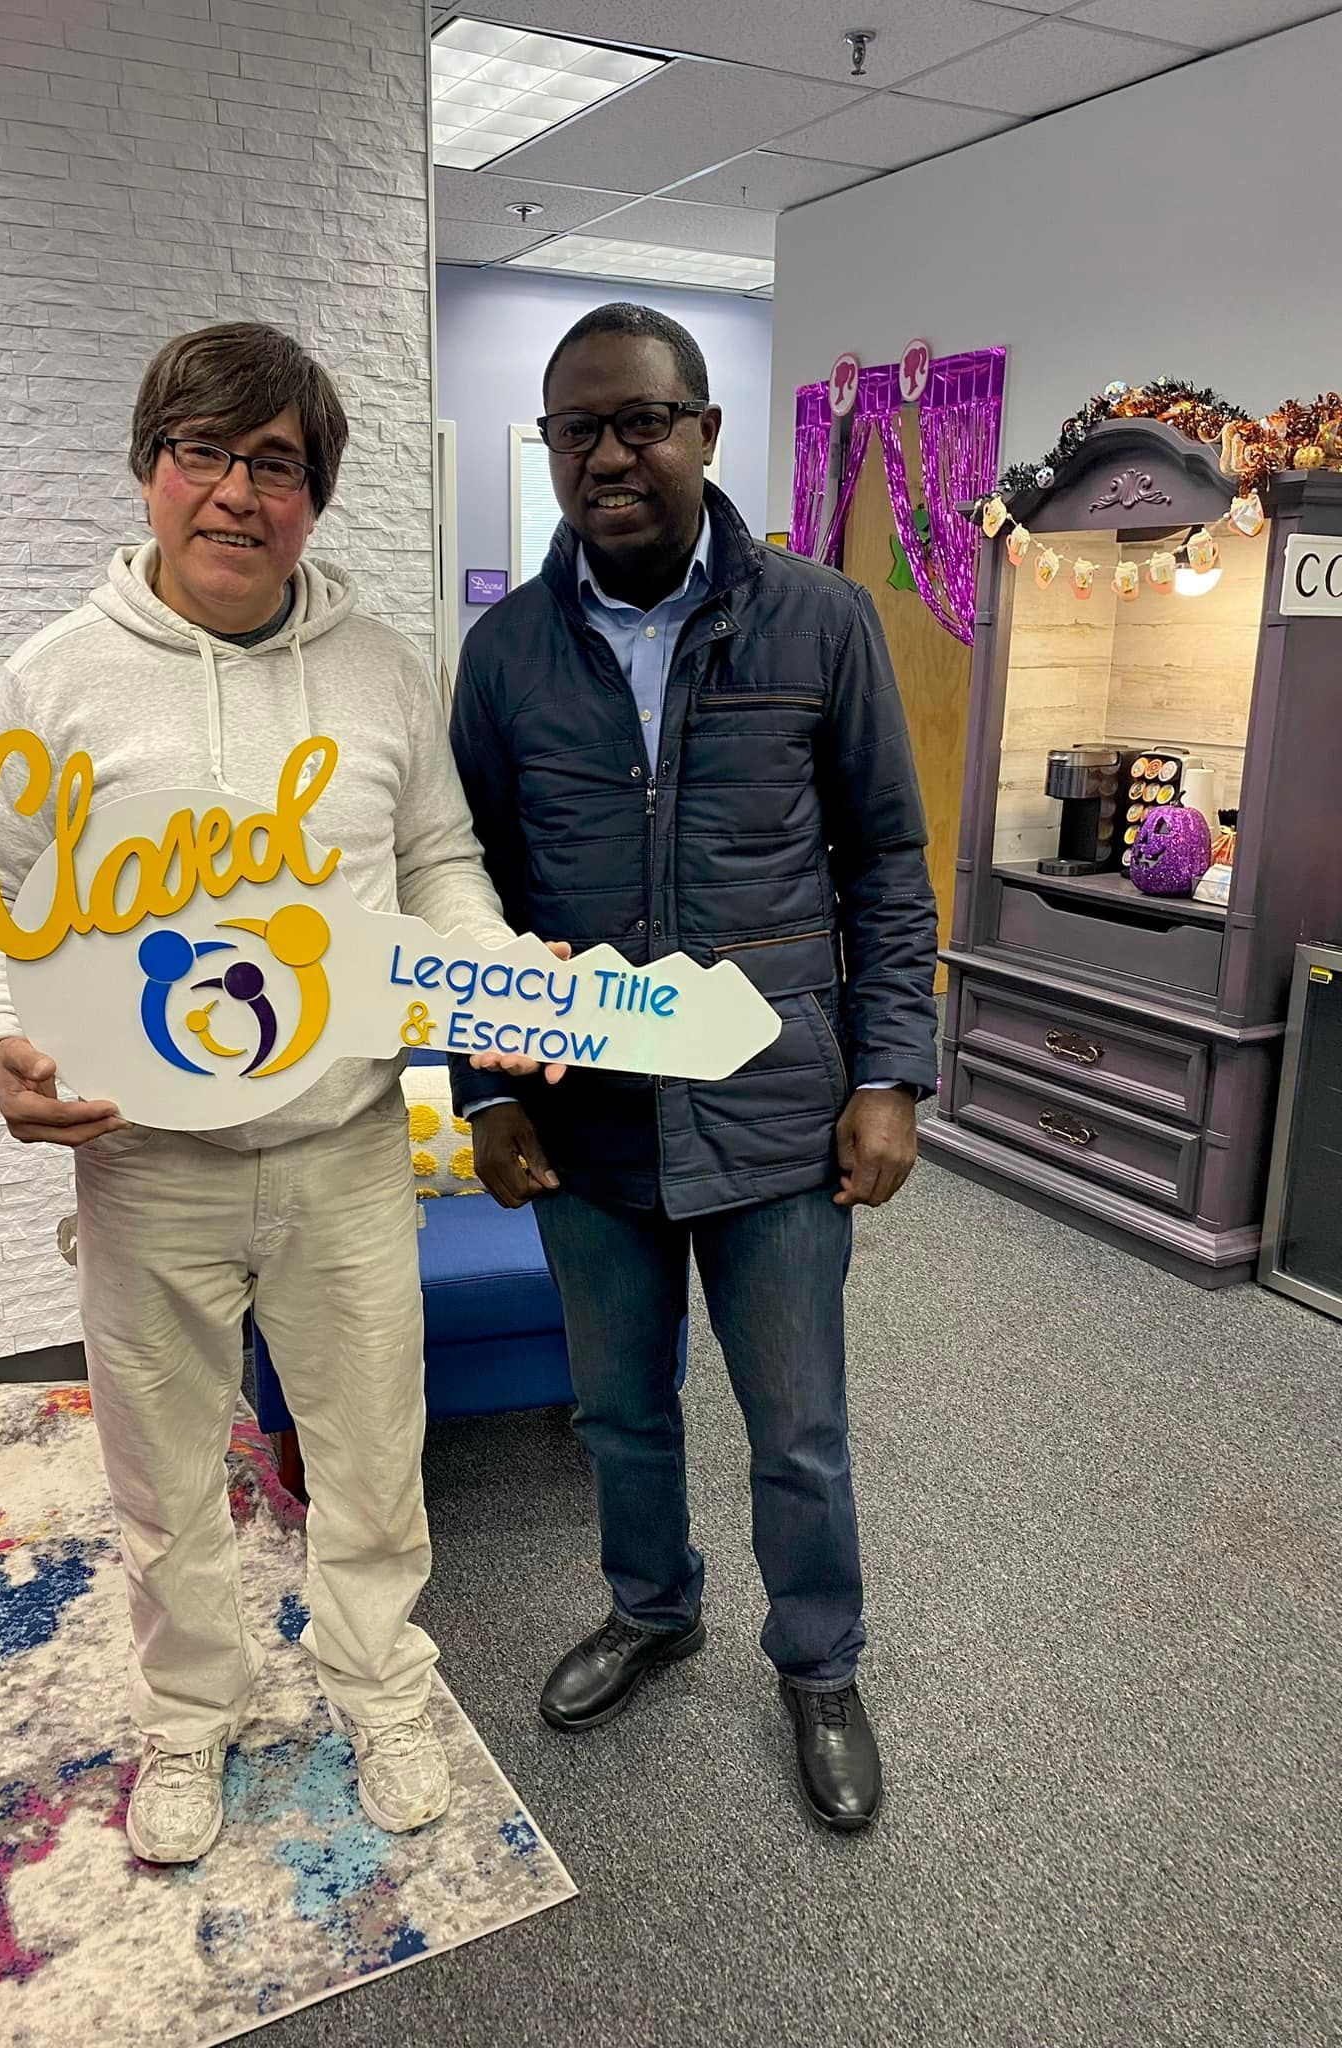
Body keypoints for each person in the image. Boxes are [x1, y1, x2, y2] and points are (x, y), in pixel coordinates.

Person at [0, 321, 518, 1864]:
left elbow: (440, 864)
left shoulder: (383, 672)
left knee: (371, 1457)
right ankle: (191, 1716)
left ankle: (381, 1688)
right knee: (164, 1472)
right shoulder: (55, 679)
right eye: (204, 453)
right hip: (144, 1166)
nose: (238, 493)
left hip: (346, 1150)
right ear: (151, 470)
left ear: (314, 497)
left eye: (278, 464)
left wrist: (490, 977)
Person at [448, 304, 938, 1832]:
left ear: (705, 432)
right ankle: (653, 1610)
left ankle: (820, 1663)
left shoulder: (822, 621)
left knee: (797, 1428)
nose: (609, 454)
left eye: (641, 421)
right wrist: (486, 1087)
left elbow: (887, 863)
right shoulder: (506, 653)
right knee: (620, 1413)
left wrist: (891, 1073)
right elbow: (464, 880)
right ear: (551, 450)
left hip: (778, 1112)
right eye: (576, 430)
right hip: (588, 1124)